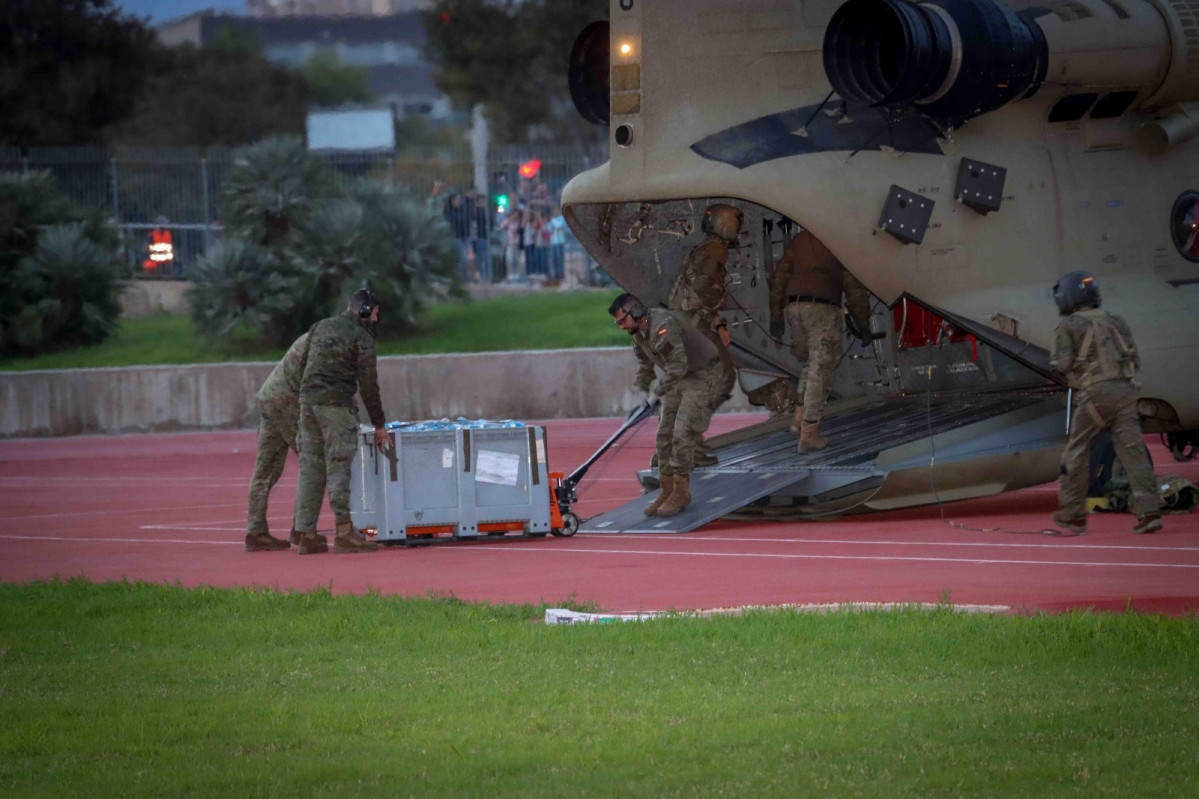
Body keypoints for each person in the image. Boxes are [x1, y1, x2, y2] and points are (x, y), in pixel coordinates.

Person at [1049, 271, 1162, 535]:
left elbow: (1062, 364)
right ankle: (1149, 513)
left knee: (1075, 453)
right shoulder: (1116, 321)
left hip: (1094, 396)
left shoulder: (1068, 326)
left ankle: (1074, 514)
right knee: (1133, 452)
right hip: (1125, 391)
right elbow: (1133, 358)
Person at [291, 288, 391, 554]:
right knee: (338, 465)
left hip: (307, 404)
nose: (376, 320)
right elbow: (369, 385)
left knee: (311, 467)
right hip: (334, 407)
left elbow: (302, 365)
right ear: (365, 311)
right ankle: (344, 530)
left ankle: (306, 533)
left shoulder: (320, 327)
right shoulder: (362, 336)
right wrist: (379, 424)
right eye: (375, 314)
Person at [609, 293, 723, 518]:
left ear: (637, 312)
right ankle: (667, 488)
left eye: (623, 321)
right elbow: (645, 365)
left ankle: (681, 492)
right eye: (618, 323)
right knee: (664, 435)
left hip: (701, 375)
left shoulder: (663, 327)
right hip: (678, 378)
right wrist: (640, 389)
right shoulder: (638, 334)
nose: (621, 326)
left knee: (683, 433)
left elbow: (678, 367)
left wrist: (657, 393)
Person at [768, 228, 872, 452]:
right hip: (822, 309)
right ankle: (809, 435)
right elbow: (853, 288)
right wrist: (863, 324)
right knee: (821, 369)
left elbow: (779, 278)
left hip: (794, 308)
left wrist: (776, 317)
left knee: (810, 364)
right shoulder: (836, 238)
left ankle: (799, 417)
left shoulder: (799, 240)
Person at [667, 203, 743, 465]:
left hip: (684, 321)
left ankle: (676, 445)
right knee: (720, 378)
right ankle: (689, 445)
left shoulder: (702, 248)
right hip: (694, 322)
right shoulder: (715, 250)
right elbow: (703, 288)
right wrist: (718, 323)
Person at [244, 331, 309, 552]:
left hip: (269, 399)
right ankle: (301, 529)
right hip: (286, 403)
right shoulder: (325, 344)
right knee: (312, 462)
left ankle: (255, 531)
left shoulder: (309, 337)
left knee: (265, 471)